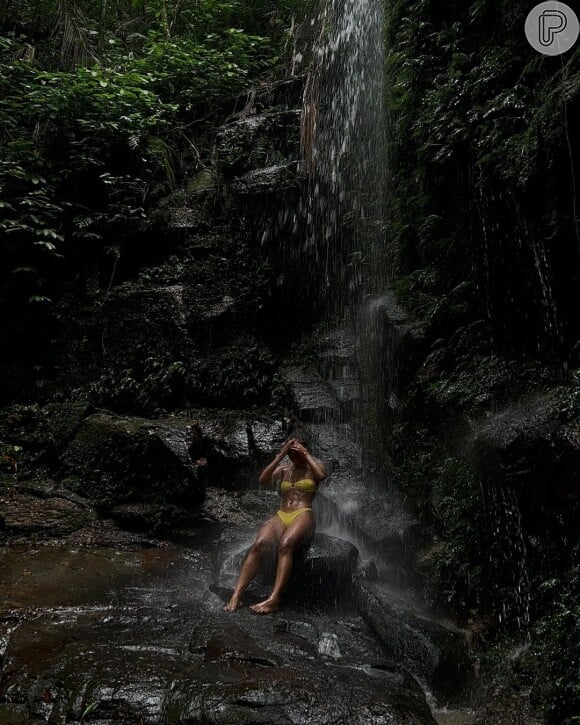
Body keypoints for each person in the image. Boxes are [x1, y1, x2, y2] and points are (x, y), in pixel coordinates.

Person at [223, 433, 327, 614]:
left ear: (304, 450)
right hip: (282, 515)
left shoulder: (313, 468)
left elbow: (322, 475)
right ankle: (236, 596)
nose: (293, 456)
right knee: (259, 544)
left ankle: (274, 599)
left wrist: (306, 454)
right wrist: (280, 455)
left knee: (285, 545)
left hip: (303, 514)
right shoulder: (285, 469)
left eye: (296, 451)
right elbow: (263, 480)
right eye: (291, 452)